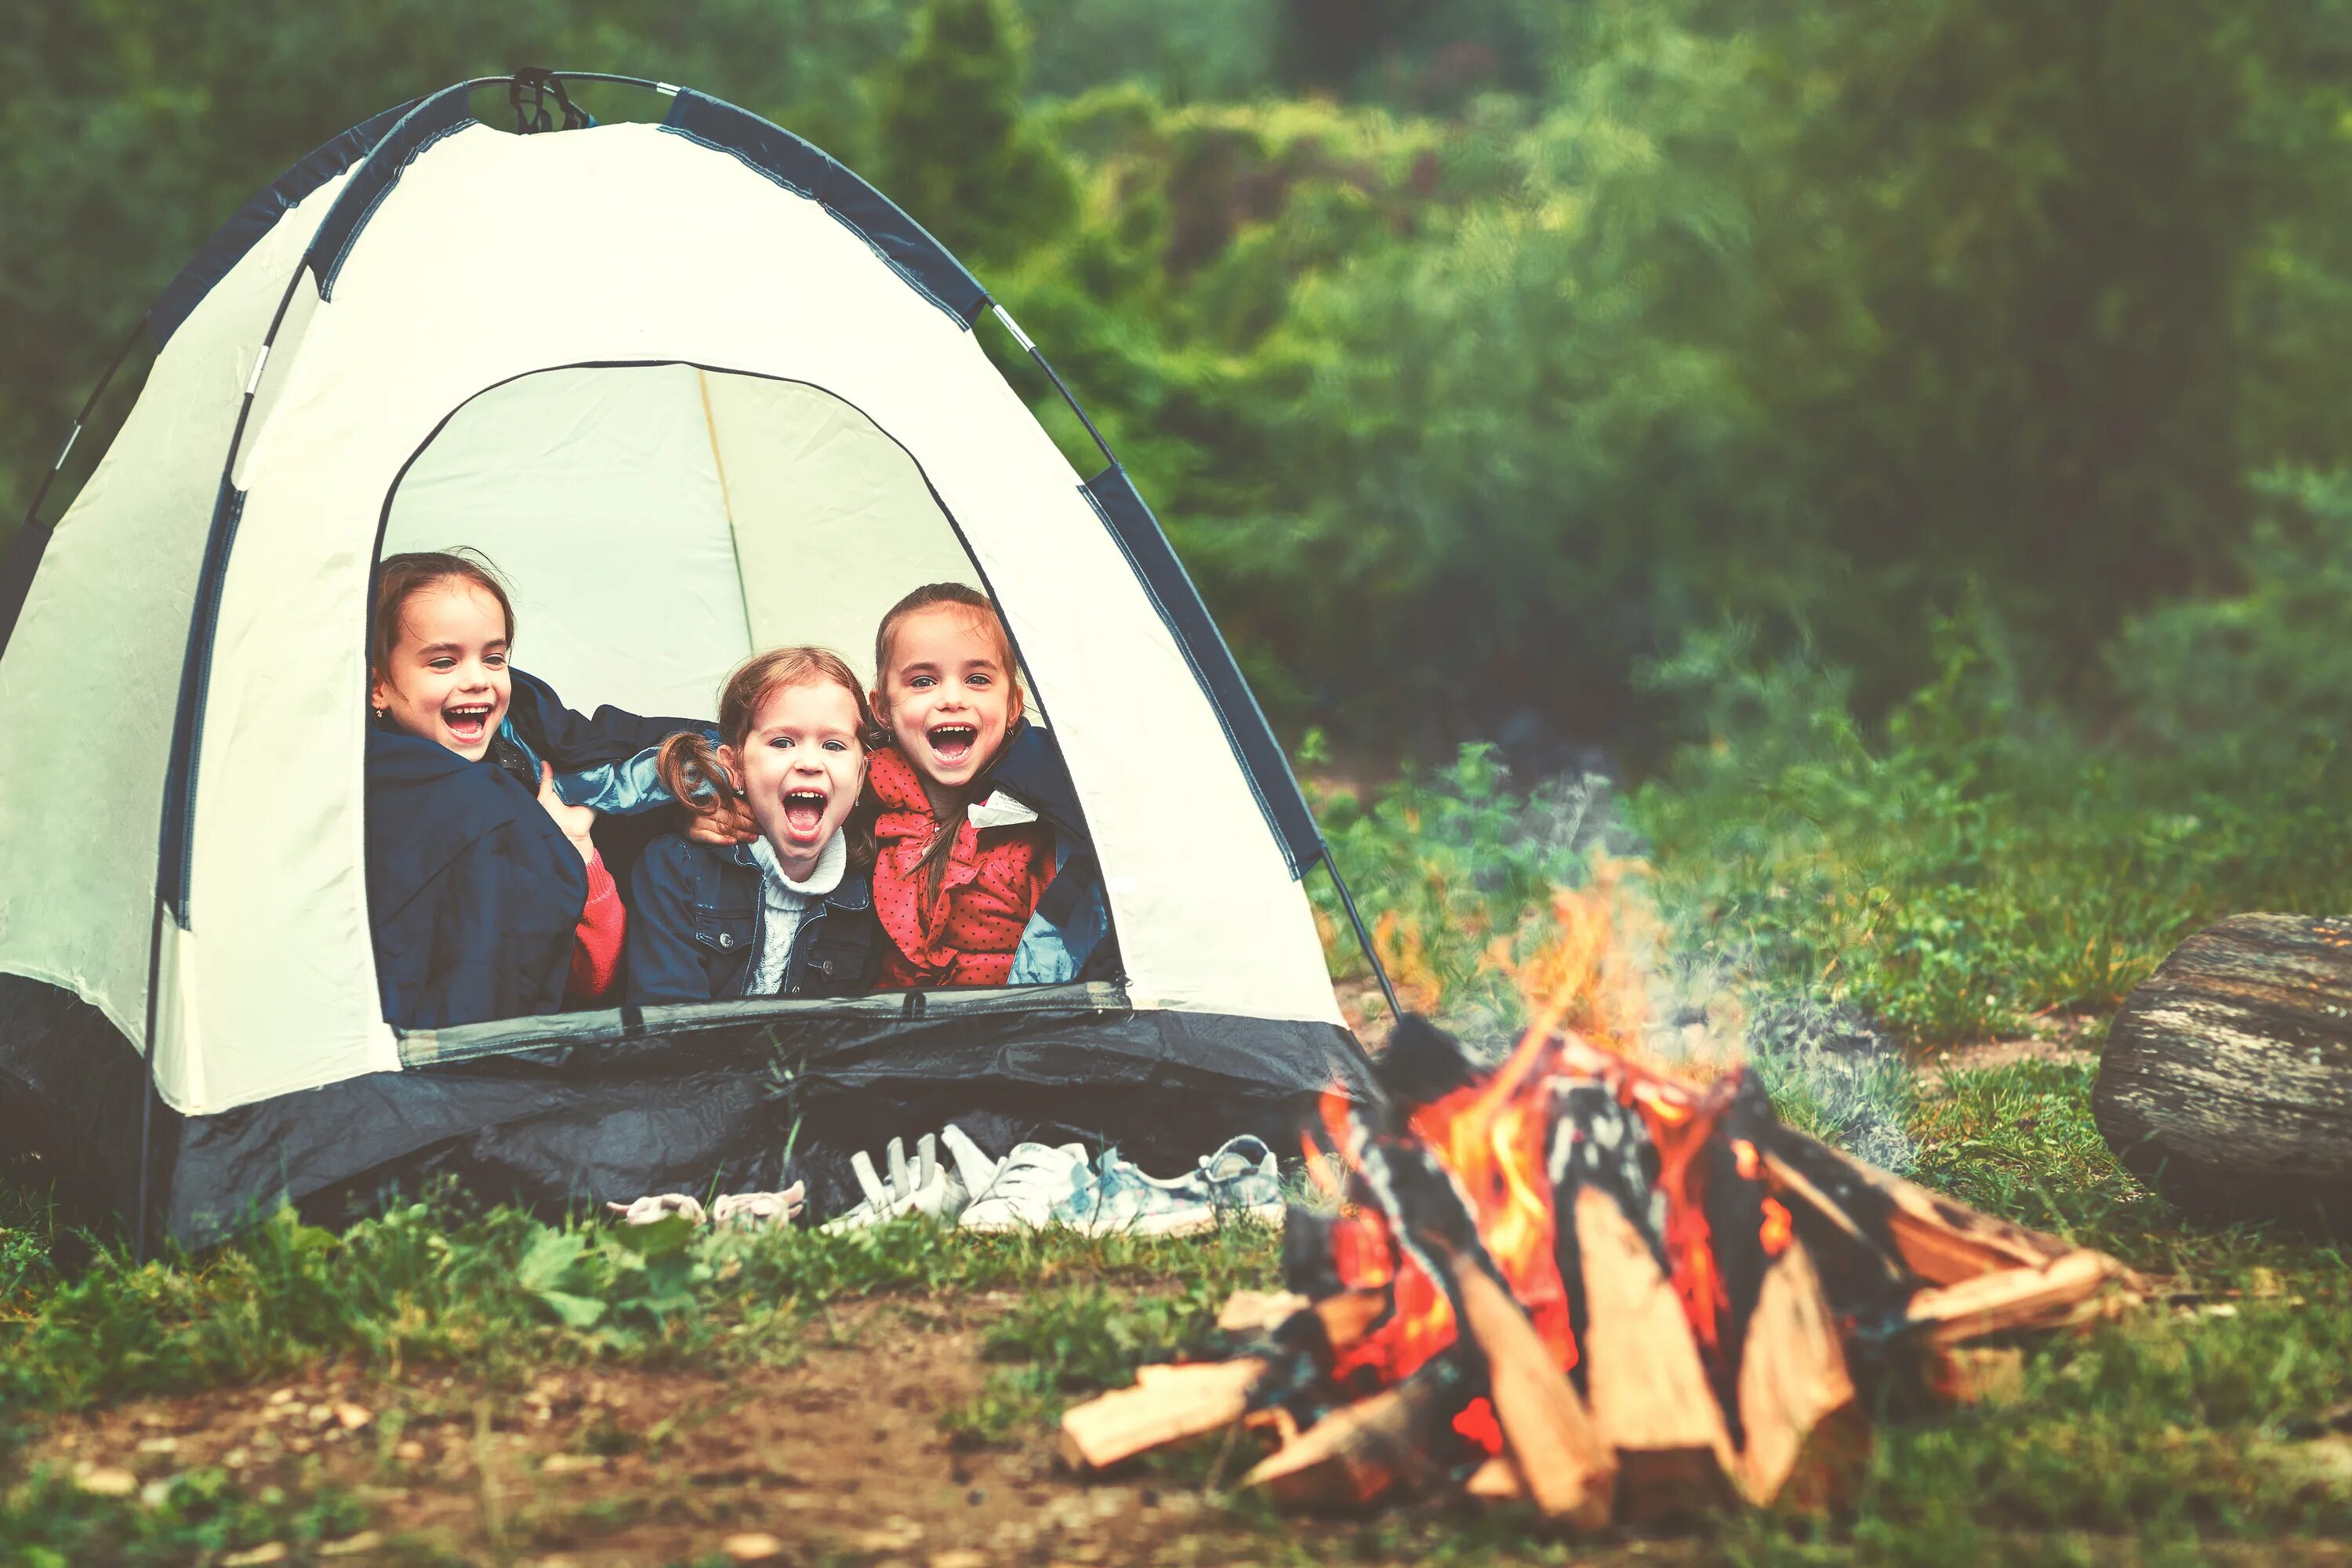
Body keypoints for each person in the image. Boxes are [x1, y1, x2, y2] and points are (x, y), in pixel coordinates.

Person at [365, 550, 707, 1028]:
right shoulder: (382, 791)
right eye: (444, 662)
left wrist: (583, 847)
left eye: (494, 657)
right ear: (377, 685)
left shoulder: (527, 739)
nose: (477, 681)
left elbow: (595, 975)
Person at [866, 583, 1115, 988]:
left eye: (978, 679)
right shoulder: (852, 797)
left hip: (1016, 1032)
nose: (951, 698)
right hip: (888, 1037)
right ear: (881, 708)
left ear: (1013, 705)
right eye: (922, 682)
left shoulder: (1053, 815)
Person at [625, 648, 884, 1003]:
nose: (810, 762)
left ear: (860, 775)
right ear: (734, 766)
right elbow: (670, 1027)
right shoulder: (676, 868)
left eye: (833, 745)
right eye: (782, 742)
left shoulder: (867, 896)